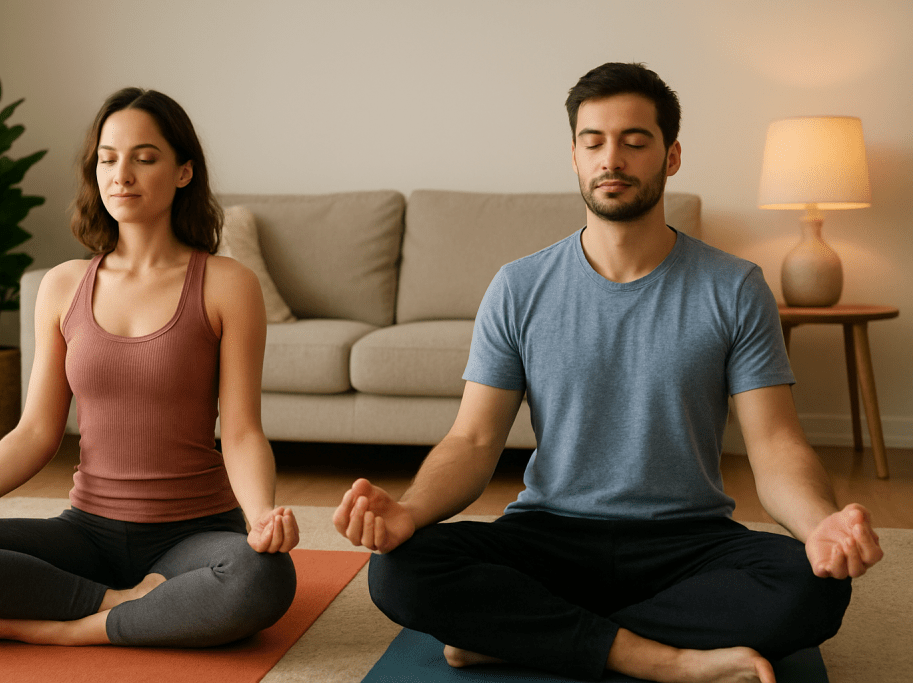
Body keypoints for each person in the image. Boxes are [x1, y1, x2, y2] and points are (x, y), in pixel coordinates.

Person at [334, 63, 883, 683]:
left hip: (687, 539)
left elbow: (776, 444)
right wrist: (408, 510)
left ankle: (523, 635)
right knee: (401, 570)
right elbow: (473, 440)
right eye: (592, 141)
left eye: (634, 141)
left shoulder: (734, 287)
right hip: (550, 534)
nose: (611, 158)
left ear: (672, 156)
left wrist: (820, 526)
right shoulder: (519, 286)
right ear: (573, 154)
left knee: (814, 588)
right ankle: (661, 659)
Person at [0, 87, 299, 648]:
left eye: (144, 157)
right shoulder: (61, 286)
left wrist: (259, 519)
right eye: (108, 159)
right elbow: (35, 432)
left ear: (183, 172)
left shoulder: (227, 283)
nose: (121, 174)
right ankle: (118, 605)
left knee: (263, 577)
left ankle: (71, 630)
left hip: (195, 534)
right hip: (88, 533)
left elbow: (242, 430)